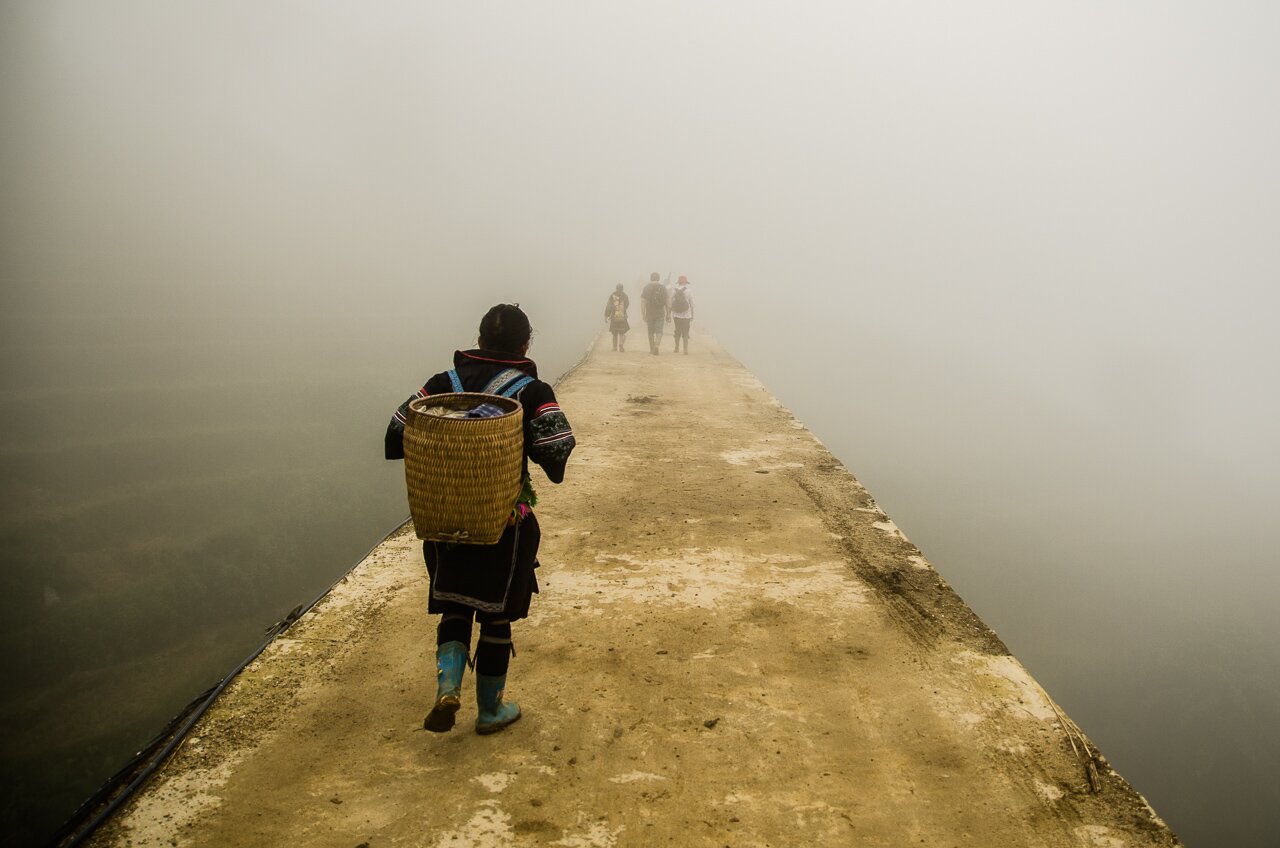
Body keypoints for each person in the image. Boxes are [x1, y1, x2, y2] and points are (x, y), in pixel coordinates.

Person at [384, 304, 576, 735]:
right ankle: (490, 711)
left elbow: (398, 433)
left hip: (446, 519)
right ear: (525, 344)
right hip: (502, 523)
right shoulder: (532, 390)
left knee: (453, 604)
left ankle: (446, 690)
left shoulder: (441, 385)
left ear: (479, 338)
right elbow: (558, 447)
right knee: (496, 615)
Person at [640, 272, 668, 355]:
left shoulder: (646, 288)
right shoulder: (663, 288)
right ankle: (656, 345)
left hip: (650, 313)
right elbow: (666, 302)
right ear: (658, 278)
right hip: (660, 313)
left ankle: (652, 348)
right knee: (659, 331)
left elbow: (643, 302)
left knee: (650, 332)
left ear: (651, 278)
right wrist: (668, 313)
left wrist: (643, 314)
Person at [669, 275, 694, 354]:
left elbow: (670, 302)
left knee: (677, 331)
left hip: (676, 315)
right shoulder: (689, 291)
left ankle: (676, 348)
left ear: (678, 282)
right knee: (685, 332)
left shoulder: (674, 290)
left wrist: (669, 313)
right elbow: (692, 304)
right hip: (687, 315)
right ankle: (685, 350)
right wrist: (692, 315)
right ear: (686, 283)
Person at [604, 284, 630, 351]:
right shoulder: (625, 296)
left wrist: (606, 315)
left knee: (614, 332)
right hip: (622, 316)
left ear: (616, 288)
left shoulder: (612, 295)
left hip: (614, 316)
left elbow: (609, 306)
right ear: (622, 288)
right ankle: (621, 344)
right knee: (622, 332)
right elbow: (627, 305)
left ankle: (614, 347)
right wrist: (623, 310)